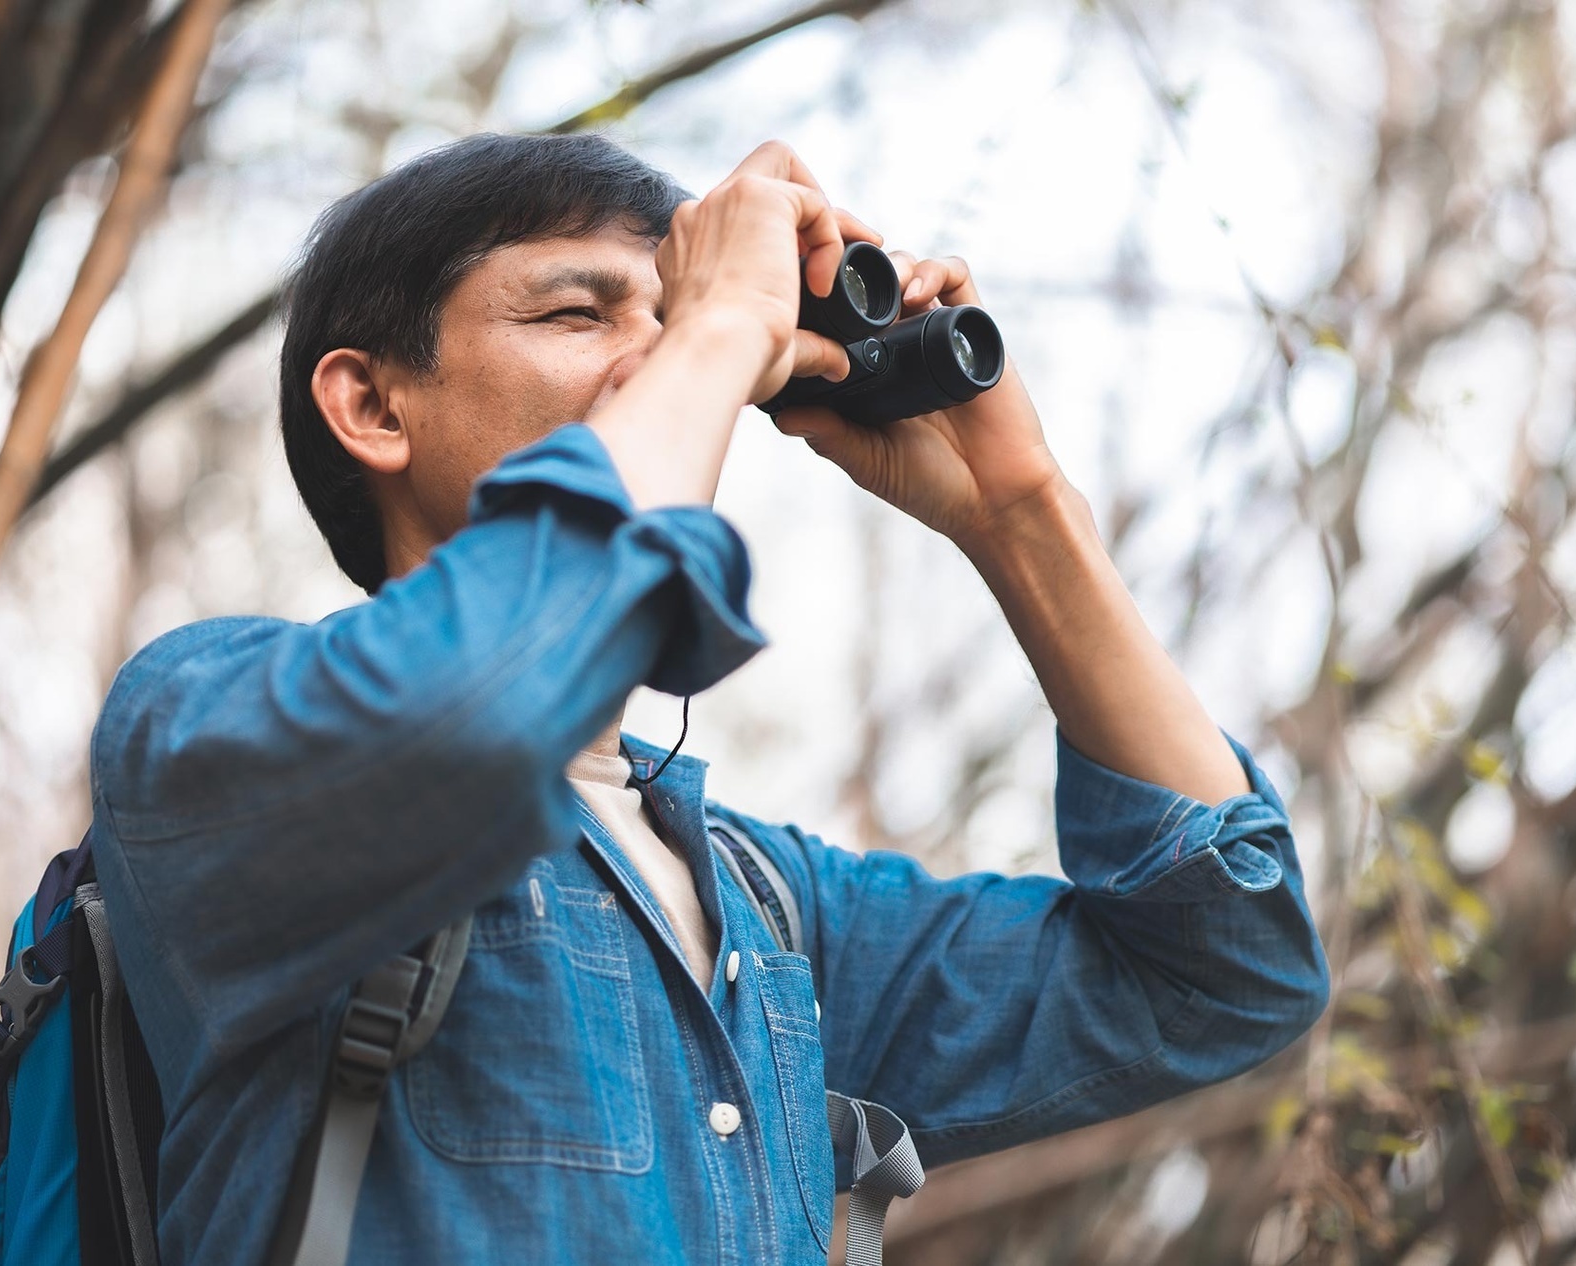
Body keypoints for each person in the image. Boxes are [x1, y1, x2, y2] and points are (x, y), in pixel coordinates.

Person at [88, 131, 1329, 1265]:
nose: (670, 359)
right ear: (370, 403)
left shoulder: (768, 910)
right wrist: (718, 324)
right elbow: (472, 711)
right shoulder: (203, 729)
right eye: (580, 310)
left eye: (674, 319)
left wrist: (1019, 515)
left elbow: (1224, 970)